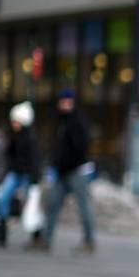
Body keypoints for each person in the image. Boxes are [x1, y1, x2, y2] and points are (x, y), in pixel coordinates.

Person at [42, 88, 96, 254]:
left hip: (77, 170)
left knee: (84, 206)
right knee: (52, 204)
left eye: (68, 102)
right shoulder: (59, 120)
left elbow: (81, 145)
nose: (65, 105)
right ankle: (46, 239)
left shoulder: (78, 120)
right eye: (62, 102)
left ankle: (89, 241)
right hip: (61, 170)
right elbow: (56, 145)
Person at [0, 101, 40, 247]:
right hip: (15, 173)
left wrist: (34, 178)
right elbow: (8, 154)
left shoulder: (30, 138)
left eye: (16, 121)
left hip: (26, 175)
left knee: (30, 206)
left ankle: (37, 235)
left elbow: (34, 159)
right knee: (2, 199)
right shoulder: (13, 136)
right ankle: (1, 234)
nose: (14, 124)